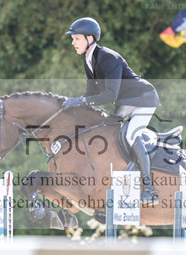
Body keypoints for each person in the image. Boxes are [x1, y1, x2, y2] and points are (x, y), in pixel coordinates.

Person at [62, 17, 160, 206]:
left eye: (77, 39)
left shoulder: (108, 57)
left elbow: (109, 95)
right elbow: (91, 93)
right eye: (73, 39)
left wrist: (81, 101)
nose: (73, 43)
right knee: (110, 131)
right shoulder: (88, 60)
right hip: (126, 102)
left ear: (90, 38)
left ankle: (149, 190)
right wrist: (75, 105)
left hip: (143, 99)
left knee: (131, 135)